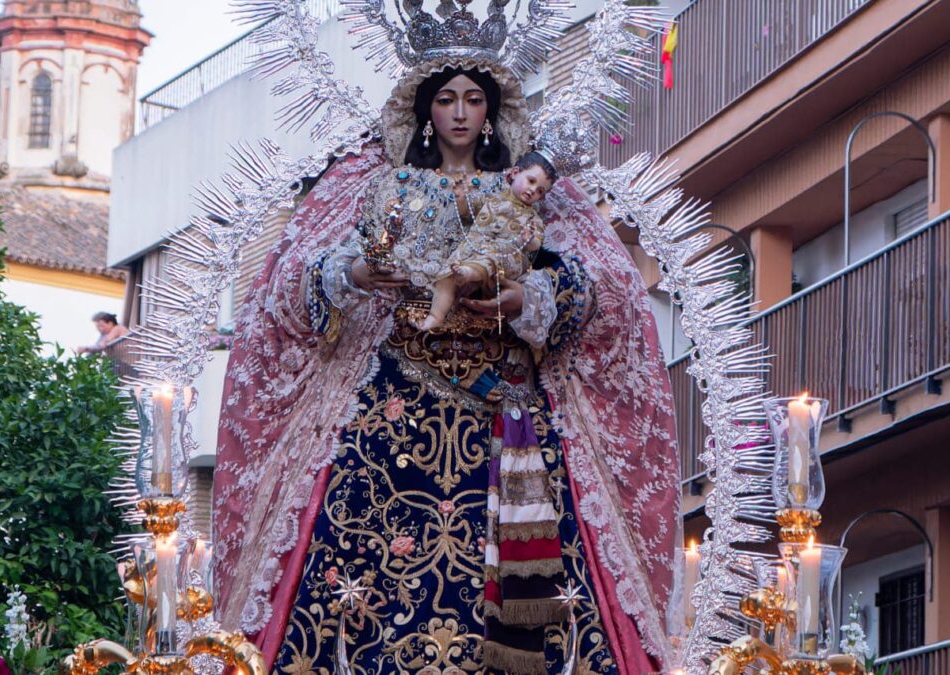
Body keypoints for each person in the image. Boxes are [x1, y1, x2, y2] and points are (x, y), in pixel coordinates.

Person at [212, 60, 681, 675]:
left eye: (473, 100)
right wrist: (353, 274)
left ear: (492, 113)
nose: (460, 113)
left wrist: (528, 297)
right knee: (361, 579)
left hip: (508, 412)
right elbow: (292, 286)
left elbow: (605, 291)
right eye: (447, 101)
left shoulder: (526, 193)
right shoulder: (385, 185)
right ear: (424, 111)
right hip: (392, 410)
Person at [413, 151, 555, 332]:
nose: (533, 190)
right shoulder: (491, 198)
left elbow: (536, 244)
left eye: (540, 191)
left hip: (503, 260)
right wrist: (461, 197)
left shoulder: (531, 218)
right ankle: (435, 316)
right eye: (531, 181)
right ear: (514, 173)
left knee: (488, 257)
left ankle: (468, 273)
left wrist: (527, 239)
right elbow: (467, 212)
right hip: (471, 250)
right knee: (446, 276)